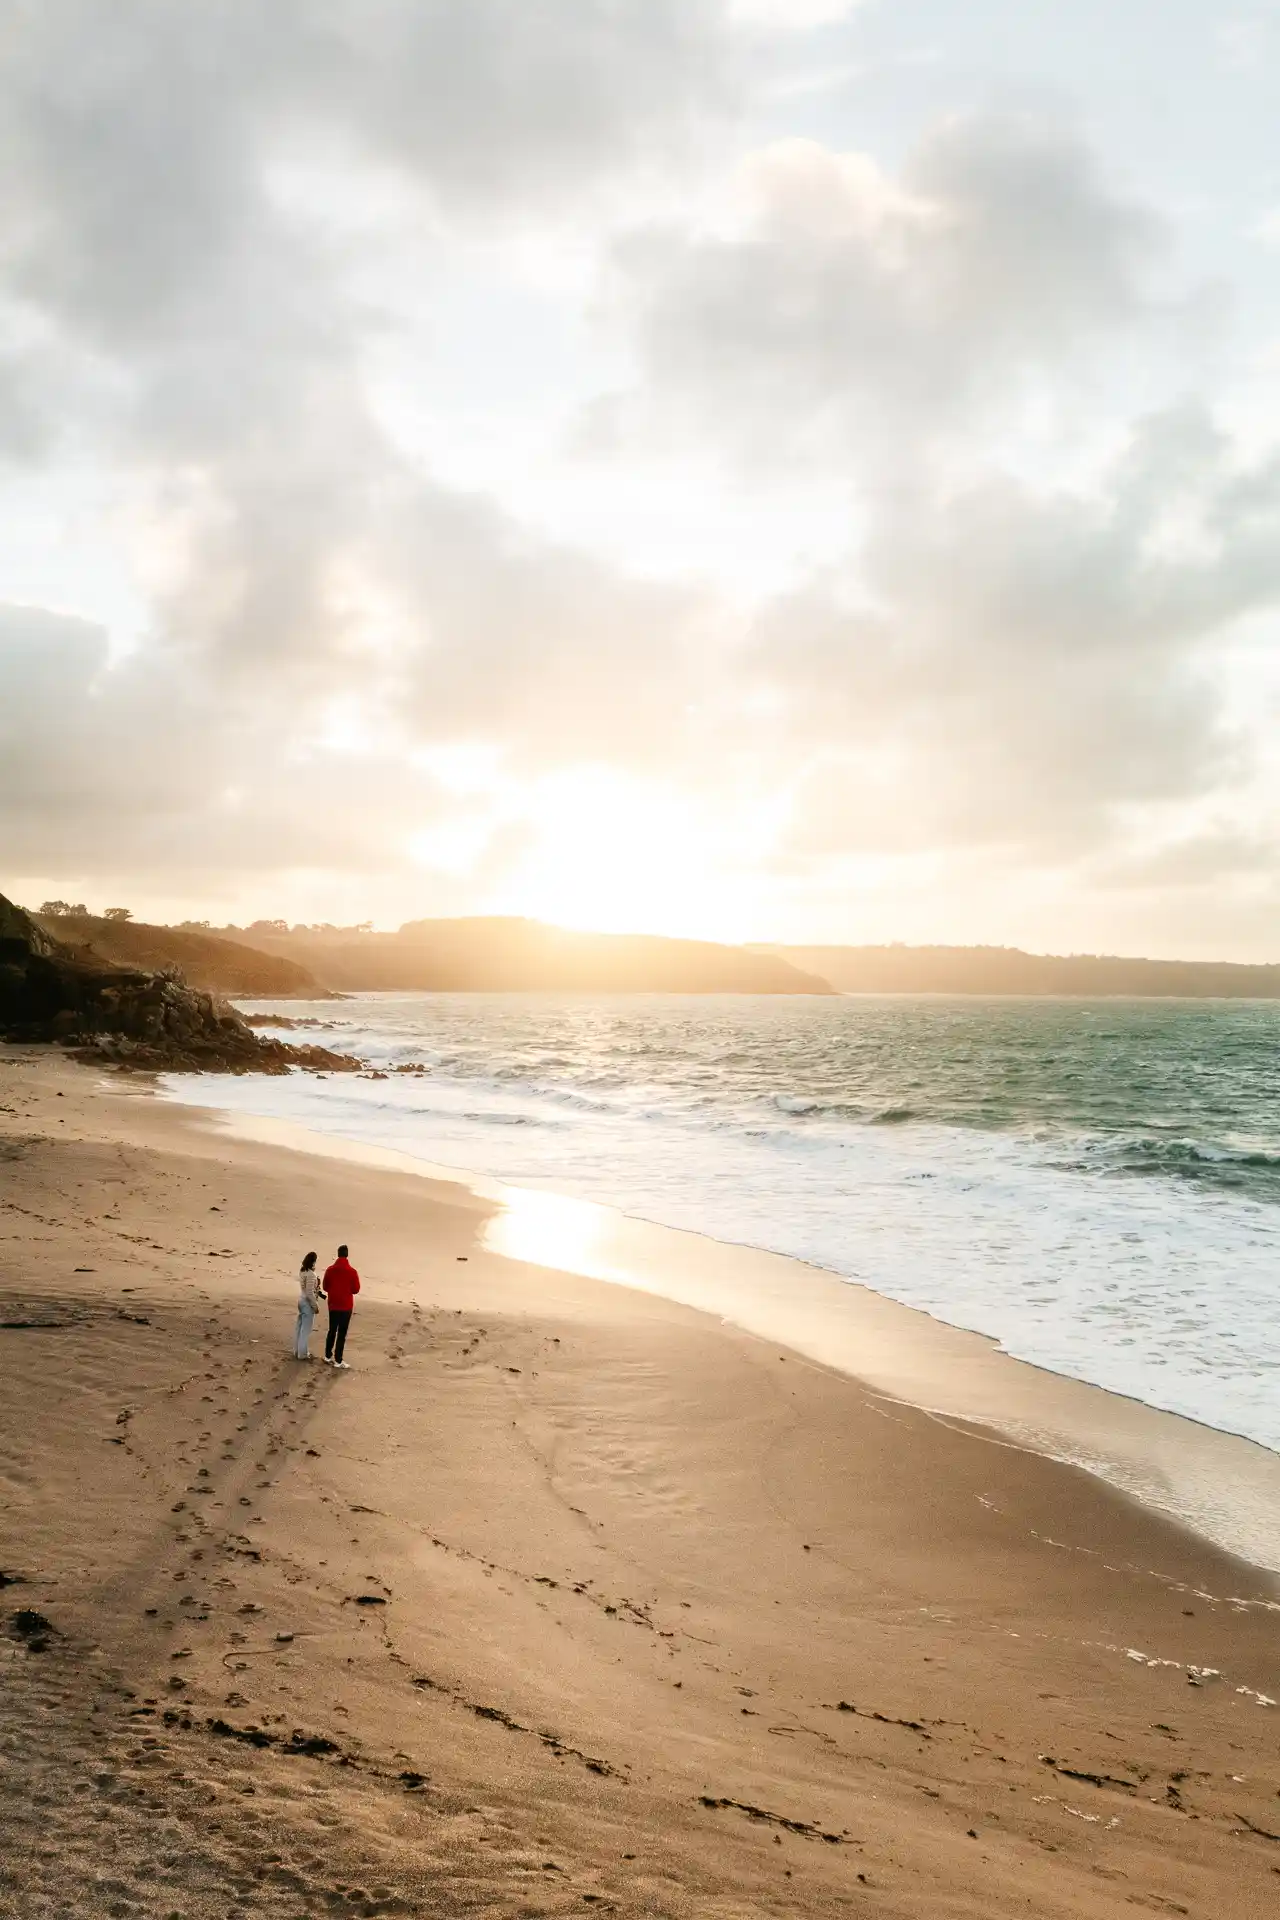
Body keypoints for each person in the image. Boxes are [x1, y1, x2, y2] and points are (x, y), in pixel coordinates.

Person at [322, 1243, 361, 1368]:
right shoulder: (352, 1271)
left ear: (338, 1255)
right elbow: (356, 1289)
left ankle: (328, 1356)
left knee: (332, 1330)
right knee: (342, 1333)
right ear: (347, 1255)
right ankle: (338, 1360)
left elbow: (325, 1287)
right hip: (345, 1306)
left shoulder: (330, 1270)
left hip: (333, 1304)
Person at [294, 1250, 321, 1360]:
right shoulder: (311, 1274)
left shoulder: (303, 1271)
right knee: (305, 1330)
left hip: (301, 1300)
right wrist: (315, 1306)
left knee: (299, 1328)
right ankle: (302, 1353)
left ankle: (297, 1351)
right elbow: (310, 1293)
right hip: (307, 1303)